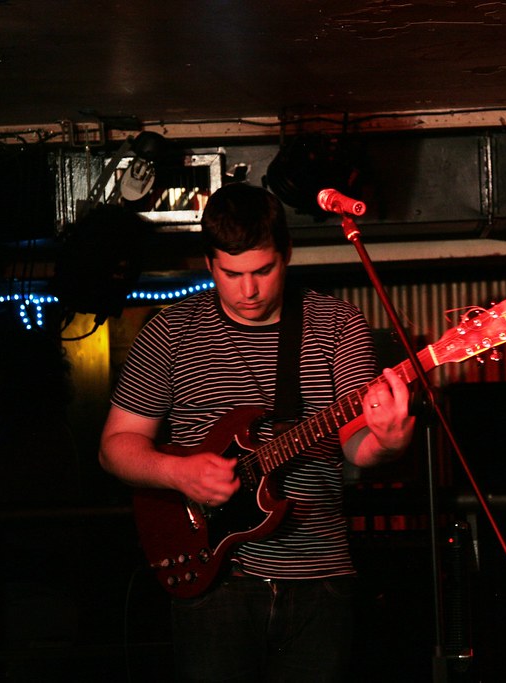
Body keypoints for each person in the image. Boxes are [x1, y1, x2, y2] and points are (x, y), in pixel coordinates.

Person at [98, 182, 415, 682]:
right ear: (209, 264)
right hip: (215, 578)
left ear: (286, 255)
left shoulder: (337, 324)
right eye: (232, 274)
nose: (249, 290)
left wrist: (388, 441)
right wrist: (178, 472)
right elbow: (115, 448)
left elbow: (358, 444)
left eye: (263, 271)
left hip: (321, 579)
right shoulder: (171, 332)